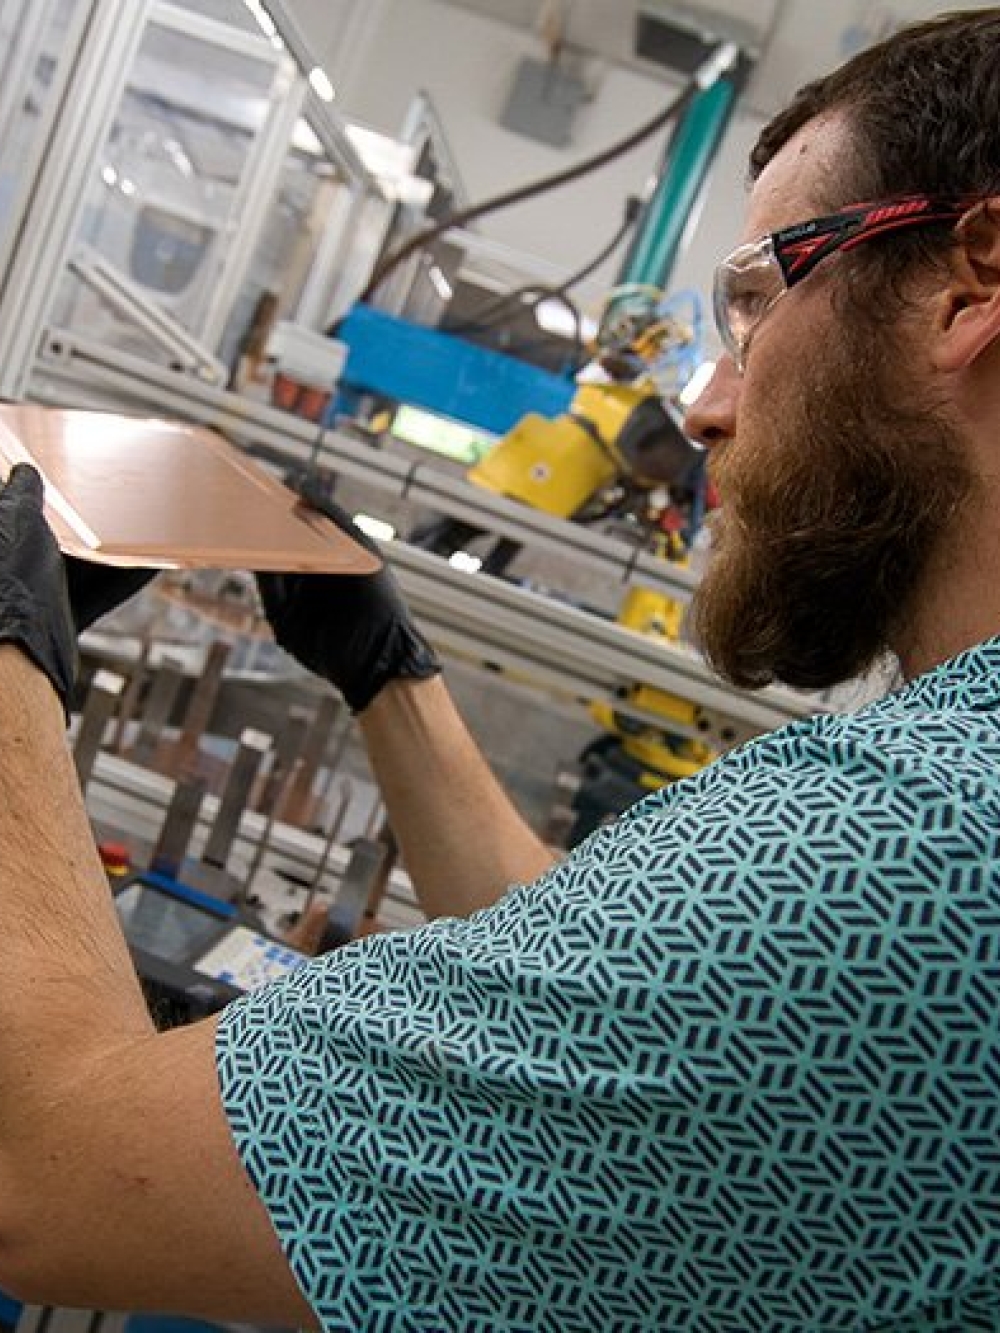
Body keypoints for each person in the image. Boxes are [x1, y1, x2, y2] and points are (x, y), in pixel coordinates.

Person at [1, 9, 1000, 1330]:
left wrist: (8, 656)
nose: (704, 402)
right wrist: (386, 672)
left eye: (757, 299)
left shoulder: (913, 848)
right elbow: (606, 980)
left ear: (969, 281)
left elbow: (51, 1175)